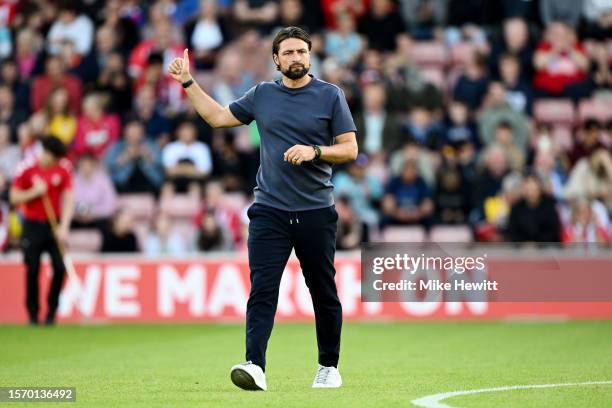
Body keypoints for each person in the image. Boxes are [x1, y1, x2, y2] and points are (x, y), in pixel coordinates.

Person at [167, 26, 357, 390]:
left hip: (316, 209)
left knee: (323, 290)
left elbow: (349, 149)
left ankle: (329, 366)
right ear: (276, 59)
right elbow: (220, 117)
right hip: (269, 209)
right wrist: (189, 82)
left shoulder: (330, 95)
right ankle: (255, 365)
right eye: (288, 53)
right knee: (263, 288)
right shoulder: (263, 94)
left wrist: (314, 151)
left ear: (309, 56)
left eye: (302, 52)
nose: (296, 58)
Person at [9, 136, 75, 325]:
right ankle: (32, 314)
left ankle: (51, 312)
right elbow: (14, 198)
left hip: (53, 225)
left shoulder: (64, 168)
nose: (54, 162)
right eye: (52, 158)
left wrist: (64, 227)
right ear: (44, 152)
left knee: (59, 267)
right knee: (33, 269)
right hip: (31, 225)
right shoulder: (26, 168)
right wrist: (34, 192)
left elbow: (69, 198)